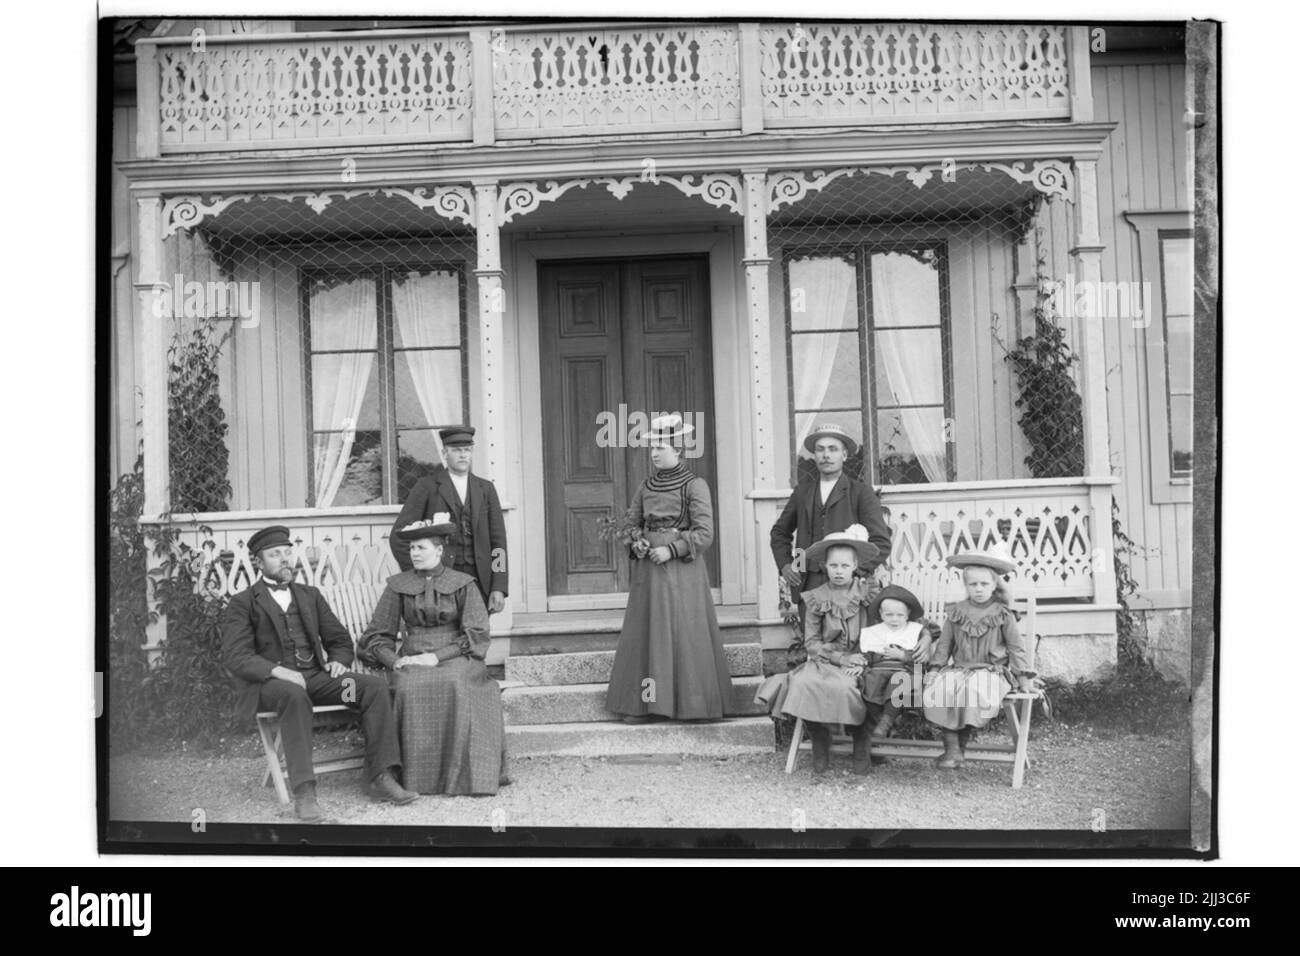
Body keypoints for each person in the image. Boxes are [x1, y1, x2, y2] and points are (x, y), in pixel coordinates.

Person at [220, 525, 417, 822]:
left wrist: (338, 660)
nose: (285, 559)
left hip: (316, 678)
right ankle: (305, 792)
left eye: (288, 552)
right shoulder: (244, 602)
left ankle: (381, 776)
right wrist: (278, 671)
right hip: (269, 687)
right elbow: (236, 656)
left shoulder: (309, 595)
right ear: (258, 563)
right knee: (294, 694)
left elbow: (338, 639)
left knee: (371, 688)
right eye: (275, 554)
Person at [359, 516, 509, 796]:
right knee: (406, 686)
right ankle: (415, 779)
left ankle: (462, 776)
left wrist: (437, 657)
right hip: (413, 655)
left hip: (458, 656)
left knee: (455, 682)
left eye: (421, 548)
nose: (414, 553)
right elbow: (377, 634)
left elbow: (477, 633)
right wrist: (395, 660)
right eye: (412, 548)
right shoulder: (398, 586)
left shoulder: (463, 583)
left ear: (439, 551)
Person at [605, 415, 733, 723]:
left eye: (661, 447)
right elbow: (630, 523)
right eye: (652, 447)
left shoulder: (694, 485)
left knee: (684, 631)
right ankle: (648, 704)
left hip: (682, 572)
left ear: (679, 450)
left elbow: (705, 532)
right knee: (649, 632)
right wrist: (636, 543)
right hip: (649, 573)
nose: (654, 453)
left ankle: (694, 706)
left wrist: (672, 549)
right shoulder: (646, 486)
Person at [756, 527, 880, 775]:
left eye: (845, 566)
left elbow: (880, 630)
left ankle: (860, 741)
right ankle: (820, 739)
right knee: (803, 684)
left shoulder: (867, 593)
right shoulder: (816, 598)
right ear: (824, 566)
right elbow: (811, 641)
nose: (839, 571)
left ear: (855, 565)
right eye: (834, 566)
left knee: (848, 688)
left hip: (861, 659)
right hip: (825, 659)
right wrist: (838, 657)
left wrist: (861, 658)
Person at [924, 547, 1036, 769]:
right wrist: (935, 670)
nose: (978, 589)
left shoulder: (1003, 613)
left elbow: (1016, 648)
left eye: (984, 584)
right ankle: (953, 749)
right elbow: (945, 644)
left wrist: (1023, 679)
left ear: (994, 585)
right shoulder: (957, 612)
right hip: (959, 669)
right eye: (973, 584)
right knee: (942, 690)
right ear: (966, 586)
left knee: (972, 691)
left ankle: (959, 748)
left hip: (991, 671)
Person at [770, 423, 892, 610]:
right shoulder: (802, 492)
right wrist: (789, 565)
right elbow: (780, 533)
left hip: (848, 587)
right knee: (810, 638)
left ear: (844, 455)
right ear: (815, 455)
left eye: (833, 449)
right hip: (808, 583)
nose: (826, 455)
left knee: (848, 637)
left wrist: (854, 570)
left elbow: (881, 542)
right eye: (820, 450)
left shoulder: (860, 492)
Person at [390, 425, 508, 614]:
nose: (463, 455)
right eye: (456, 450)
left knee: (476, 635)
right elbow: (399, 537)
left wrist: (498, 585)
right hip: (439, 581)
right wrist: (420, 573)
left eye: (467, 450)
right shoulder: (427, 487)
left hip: (480, 581)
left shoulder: (485, 489)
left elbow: (498, 544)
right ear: (445, 453)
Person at [859, 583, 934, 739]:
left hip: (904, 671)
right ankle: (885, 724)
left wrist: (902, 656)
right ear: (881, 613)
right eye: (889, 615)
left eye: (900, 615)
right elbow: (867, 656)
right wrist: (861, 664)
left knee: (898, 683)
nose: (894, 619)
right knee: (870, 686)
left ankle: (885, 723)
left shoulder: (914, 630)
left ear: (908, 614)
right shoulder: (875, 632)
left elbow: (921, 661)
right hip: (878, 671)